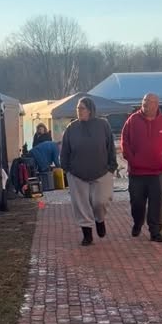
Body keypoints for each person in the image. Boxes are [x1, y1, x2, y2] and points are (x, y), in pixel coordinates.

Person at [60, 96, 117, 246]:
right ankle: (87, 234)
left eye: (82, 108)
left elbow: (110, 147)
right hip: (77, 174)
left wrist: (111, 167)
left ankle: (100, 219)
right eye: (77, 108)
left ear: (90, 110)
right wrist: (67, 169)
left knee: (100, 201)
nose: (79, 111)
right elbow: (65, 150)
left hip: (102, 171)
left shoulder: (103, 125)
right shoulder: (71, 128)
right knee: (81, 205)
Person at [121, 93, 162, 242]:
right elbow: (125, 142)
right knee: (137, 203)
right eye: (144, 101)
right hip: (137, 173)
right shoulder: (132, 120)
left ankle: (155, 231)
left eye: (149, 101)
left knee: (156, 203)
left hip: (157, 172)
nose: (145, 104)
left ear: (156, 104)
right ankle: (138, 223)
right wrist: (132, 159)